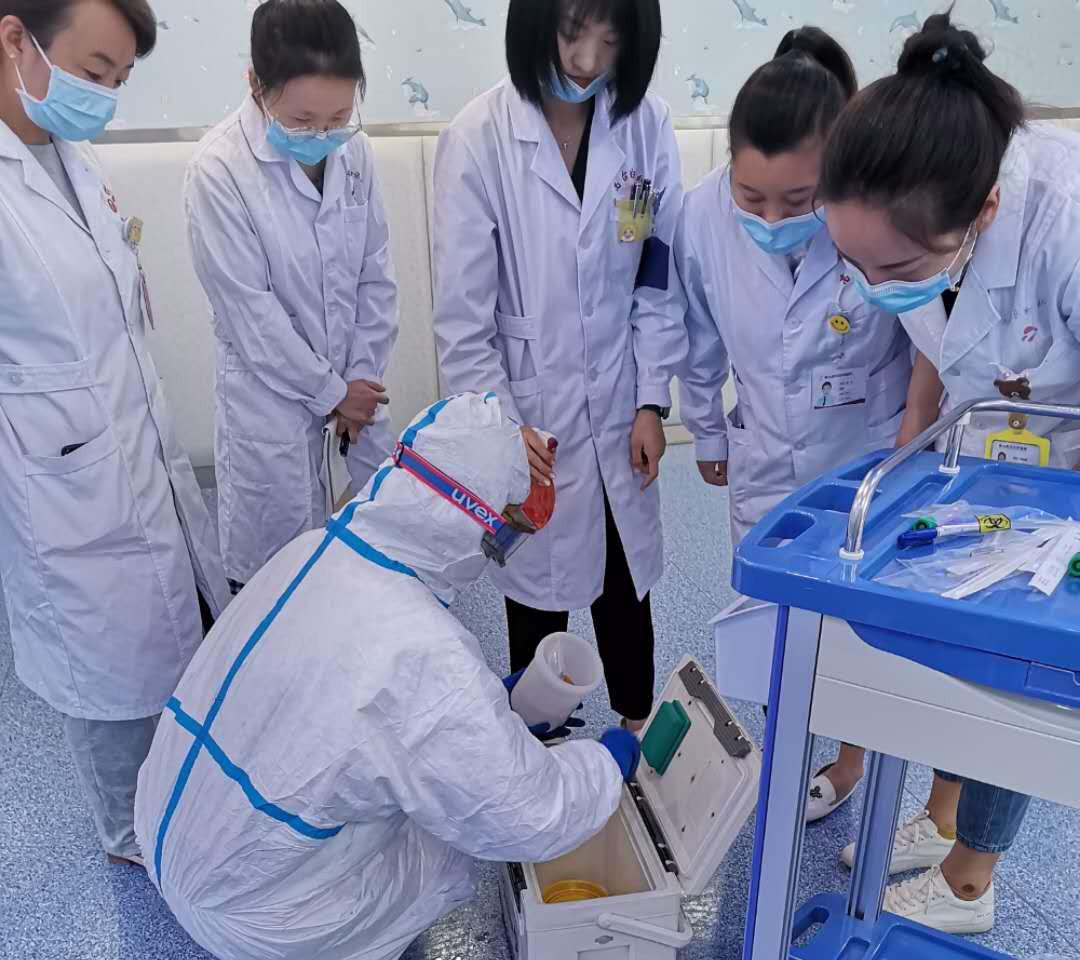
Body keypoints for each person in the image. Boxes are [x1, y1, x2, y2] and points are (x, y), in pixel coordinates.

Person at [134, 392, 641, 960]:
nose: (502, 550)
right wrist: (605, 766)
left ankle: (313, 930)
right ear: (471, 520)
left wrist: (493, 707)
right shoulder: (422, 649)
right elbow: (525, 813)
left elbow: (355, 710)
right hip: (244, 901)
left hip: (173, 825)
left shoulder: (319, 549)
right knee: (447, 854)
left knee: (415, 785)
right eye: (505, 532)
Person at [818, 12, 1080, 933]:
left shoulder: (1066, 219)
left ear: (986, 214)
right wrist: (908, 452)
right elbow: (933, 335)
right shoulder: (908, 219)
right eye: (853, 262)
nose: (870, 284)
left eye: (891, 265)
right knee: (953, 630)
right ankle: (940, 818)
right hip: (986, 451)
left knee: (1019, 660)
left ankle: (972, 878)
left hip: (1065, 460)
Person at [0, 0, 228, 867]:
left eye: (120, 80)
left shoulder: (73, 157)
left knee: (170, 639)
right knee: (102, 674)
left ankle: (178, 811)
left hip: (133, 449)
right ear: (15, 38)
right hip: (60, 485)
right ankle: (133, 837)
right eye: (94, 73)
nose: (104, 96)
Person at [675, 27, 912, 821]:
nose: (772, 217)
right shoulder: (702, 215)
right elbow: (698, 334)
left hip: (865, 449)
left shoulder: (878, 209)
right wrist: (707, 430)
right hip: (766, 451)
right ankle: (786, 750)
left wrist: (915, 442)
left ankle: (851, 761)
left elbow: (924, 336)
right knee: (773, 623)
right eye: (753, 198)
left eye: (799, 200)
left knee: (858, 625)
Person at [432, 0, 688, 732]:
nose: (586, 62)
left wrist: (651, 400)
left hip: (621, 400)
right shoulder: (477, 139)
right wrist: (502, 431)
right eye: (574, 33)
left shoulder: (646, 126)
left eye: (610, 41)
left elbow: (658, 274)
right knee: (536, 587)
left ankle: (635, 730)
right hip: (526, 409)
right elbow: (463, 321)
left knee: (623, 579)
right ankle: (537, 741)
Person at [186, 0, 398, 593]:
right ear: (256, 86)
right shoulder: (219, 170)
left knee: (369, 563)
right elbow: (252, 317)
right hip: (270, 405)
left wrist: (359, 380)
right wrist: (332, 393)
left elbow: (375, 274)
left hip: (357, 391)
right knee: (274, 583)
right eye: (304, 120)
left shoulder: (353, 152)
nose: (323, 137)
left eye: (339, 117)